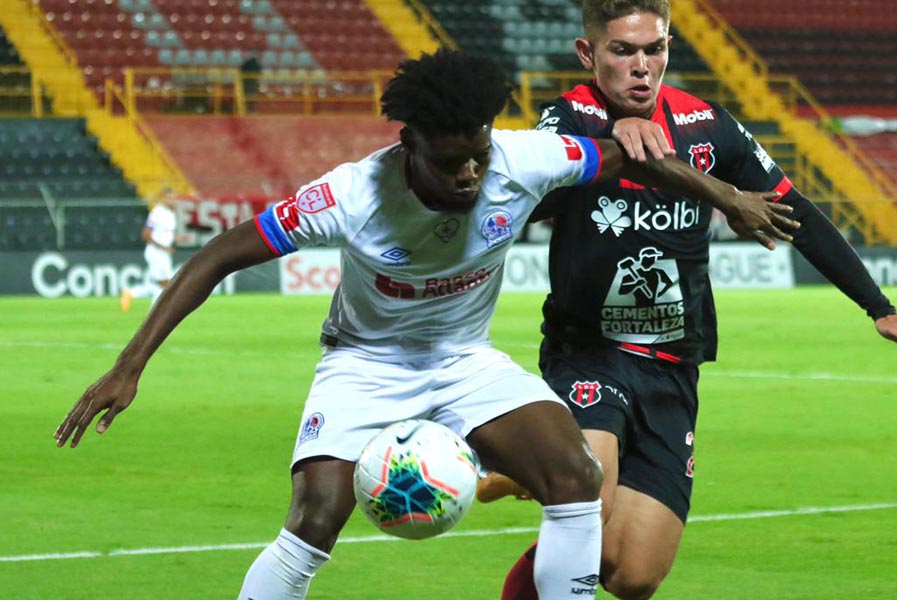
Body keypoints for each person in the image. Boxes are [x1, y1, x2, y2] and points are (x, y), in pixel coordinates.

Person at [53, 49, 797, 600]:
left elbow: (632, 162)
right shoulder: (349, 194)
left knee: (577, 475)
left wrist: (724, 194)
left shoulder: (525, 158)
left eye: (477, 156)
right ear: (408, 145)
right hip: (364, 363)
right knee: (315, 518)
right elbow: (219, 253)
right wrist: (130, 365)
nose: (470, 176)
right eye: (450, 164)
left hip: (464, 359)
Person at [479, 2, 897, 600]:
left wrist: (879, 307)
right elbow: (514, 181)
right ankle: (554, 474)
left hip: (673, 367)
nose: (643, 67)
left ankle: (528, 472)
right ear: (588, 54)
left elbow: (793, 210)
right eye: (623, 51)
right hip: (588, 354)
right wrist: (601, 136)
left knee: (634, 574)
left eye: (656, 49)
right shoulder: (567, 118)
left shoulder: (705, 126)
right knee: (586, 501)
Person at [120, 187, 177, 312]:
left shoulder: (171, 213)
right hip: (156, 252)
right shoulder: (157, 213)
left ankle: (131, 293)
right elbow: (146, 234)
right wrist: (164, 247)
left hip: (164, 253)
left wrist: (179, 239)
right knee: (166, 282)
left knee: (158, 284)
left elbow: (167, 234)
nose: (171, 200)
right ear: (162, 198)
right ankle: (157, 311)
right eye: (169, 198)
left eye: (173, 198)